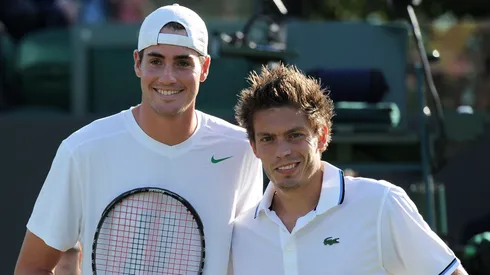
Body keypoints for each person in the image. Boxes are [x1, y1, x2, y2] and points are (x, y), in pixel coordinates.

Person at [14, 4, 263, 275]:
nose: (168, 77)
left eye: (182, 63)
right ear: (137, 63)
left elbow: (248, 264)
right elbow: (32, 266)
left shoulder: (241, 150)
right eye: (156, 61)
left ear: (204, 68)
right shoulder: (81, 150)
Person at [231, 63, 468, 275]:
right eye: (268, 139)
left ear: (322, 136)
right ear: (254, 147)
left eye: (295, 135)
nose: (282, 151)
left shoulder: (381, 203)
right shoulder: (240, 233)